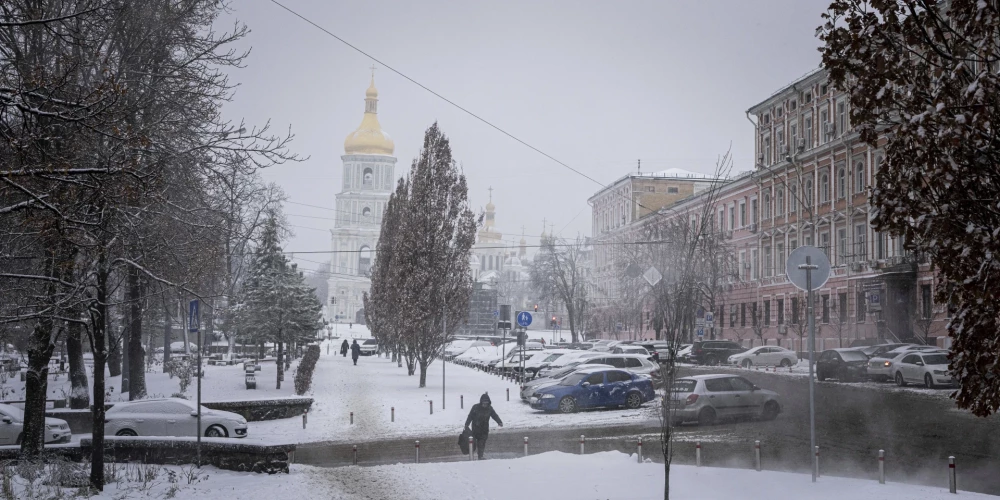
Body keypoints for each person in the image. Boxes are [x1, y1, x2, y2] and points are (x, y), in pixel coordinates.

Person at [464, 393, 503, 459]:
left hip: (484, 430)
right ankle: (472, 454)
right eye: (484, 403)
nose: (485, 405)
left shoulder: (489, 408)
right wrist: (466, 424)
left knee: (482, 443)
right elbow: (470, 416)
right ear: (481, 402)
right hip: (475, 429)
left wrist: (499, 421)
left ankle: (480, 456)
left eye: (486, 403)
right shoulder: (475, 407)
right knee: (473, 443)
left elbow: (494, 415)